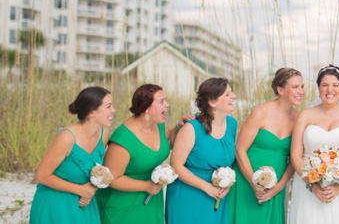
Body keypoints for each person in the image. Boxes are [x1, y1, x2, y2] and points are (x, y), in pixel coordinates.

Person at [97, 84, 185, 224]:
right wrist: (146, 186)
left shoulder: (160, 125)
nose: (167, 105)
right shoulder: (123, 140)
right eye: (161, 102)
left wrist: (180, 127)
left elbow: (168, 142)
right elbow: (111, 178)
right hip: (123, 205)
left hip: (151, 202)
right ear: (146, 108)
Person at [288, 65, 339, 224]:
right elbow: (295, 155)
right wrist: (313, 186)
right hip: (307, 186)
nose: (330, 90)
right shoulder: (305, 116)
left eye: (335, 85)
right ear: (318, 88)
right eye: (325, 85)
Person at [229, 68, 304, 223]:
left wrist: (277, 188)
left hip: (275, 186)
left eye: (302, 86)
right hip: (246, 181)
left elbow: (294, 160)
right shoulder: (260, 112)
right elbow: (240, 150)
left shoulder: (299, 119)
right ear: (280, 90)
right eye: (295, 87)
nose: (301, 91)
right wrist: (254, 183)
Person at [29, 87, 114, 224]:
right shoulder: (67, 138)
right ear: (92, 111)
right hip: (55, 204)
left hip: (84, 204)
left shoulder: (103, 132)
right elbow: (41, 175)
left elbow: (97, 169)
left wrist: (92, 189)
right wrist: (80, 190)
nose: (113, 110)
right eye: (108, 106)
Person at [165, 78, 237, 223]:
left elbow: (228, 160)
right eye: (227, 94)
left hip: (217, 195)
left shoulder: (232, 124)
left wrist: (226, 184)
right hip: (188, 194)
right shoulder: (191, 128)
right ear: (212, 102)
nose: (233, 96)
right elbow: (176, 165)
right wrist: (207, 188)